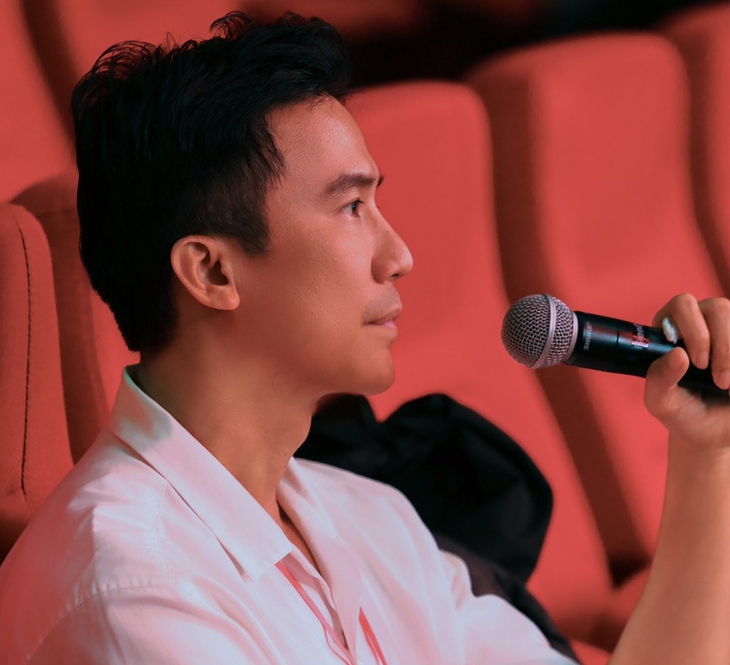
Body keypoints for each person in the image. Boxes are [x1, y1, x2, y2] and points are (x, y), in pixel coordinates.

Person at [1, 11, 730, 665]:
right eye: (351, 207)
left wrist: (706, 453)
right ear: (212, 271)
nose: (399, 255)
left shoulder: (368, 516)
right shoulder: (133, 589)